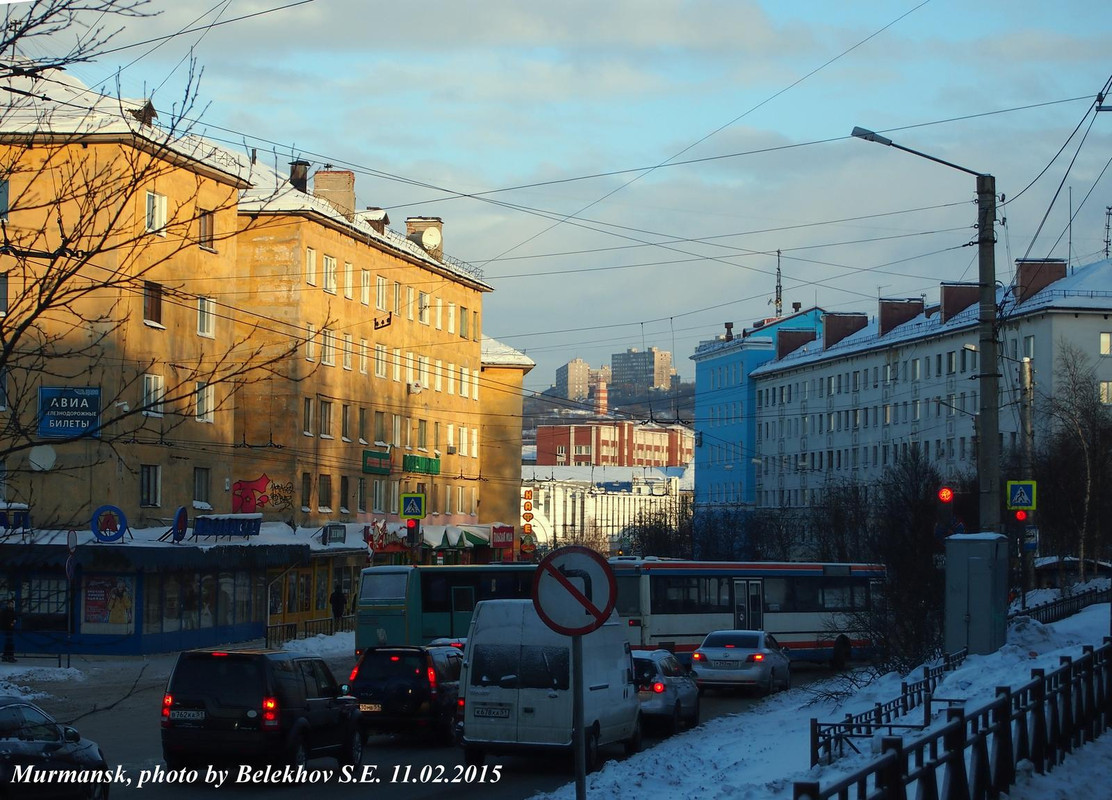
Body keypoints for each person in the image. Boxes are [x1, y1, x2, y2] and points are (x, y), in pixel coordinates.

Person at [1, 598, 16, 663]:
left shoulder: (8, 611)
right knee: (9, 644)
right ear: (8, 605)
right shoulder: (7, 612)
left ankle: (6, 656)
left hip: (8, 629)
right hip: (8, 629)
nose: (11, 605)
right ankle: (10, 656)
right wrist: (12, 623)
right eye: (10, 604)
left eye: (12, 604)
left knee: (8, 643)